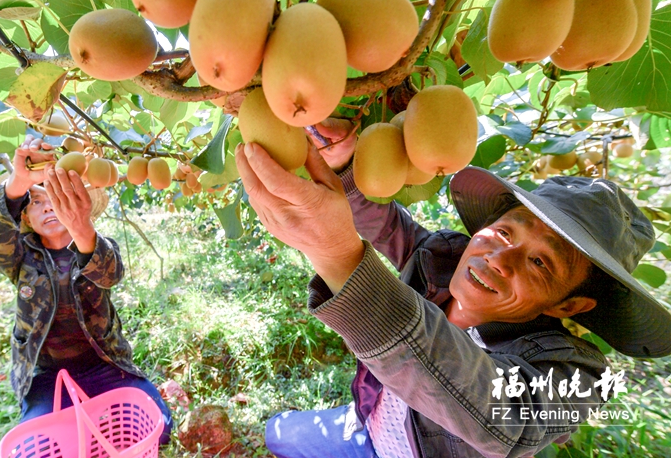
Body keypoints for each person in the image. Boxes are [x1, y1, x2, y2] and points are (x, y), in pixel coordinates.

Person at [235, 117, 671, 458]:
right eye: (504, 232)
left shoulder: (577, 376)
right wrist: (345, 166)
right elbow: (384, 222)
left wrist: (338, 256)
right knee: (277, 433)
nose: (498, 259)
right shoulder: (438, 257)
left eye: (539, 262)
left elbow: (505, 421)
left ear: (570, 303)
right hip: (365, 426)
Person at [0, 135, 172, 442]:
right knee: (41, 443)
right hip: (46, 377)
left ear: (79, 205)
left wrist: (81, 227)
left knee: (158, 426)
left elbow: (111, 272)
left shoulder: (93, 246)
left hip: (104, 364)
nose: (48, 207)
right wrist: (18, 183)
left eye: (57, 198)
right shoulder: (20, 256)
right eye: (36, 201)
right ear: (25, 216)